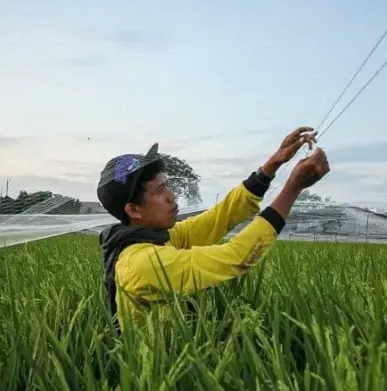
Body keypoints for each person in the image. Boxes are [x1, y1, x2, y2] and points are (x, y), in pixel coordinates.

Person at [96, 127, 330, 331]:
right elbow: (237, 256)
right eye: (160, 190)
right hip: (160, 373)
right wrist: (293, 188)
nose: (171, 195)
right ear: (133, 210)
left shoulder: (159, 238)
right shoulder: (141, 262)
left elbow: (220, 216)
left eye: (168, 185)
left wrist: (273, 163)